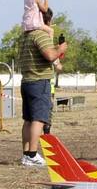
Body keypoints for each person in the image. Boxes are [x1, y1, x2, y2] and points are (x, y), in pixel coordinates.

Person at [17, 11, 66, 166]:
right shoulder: (40, 35)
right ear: (47, 20)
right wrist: (61, 48)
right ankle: (32, 154)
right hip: (39, 82)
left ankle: (26, 155)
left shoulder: (25, 36)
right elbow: (51, 56)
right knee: (39, 119)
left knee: (28, 120)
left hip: (27, 82)